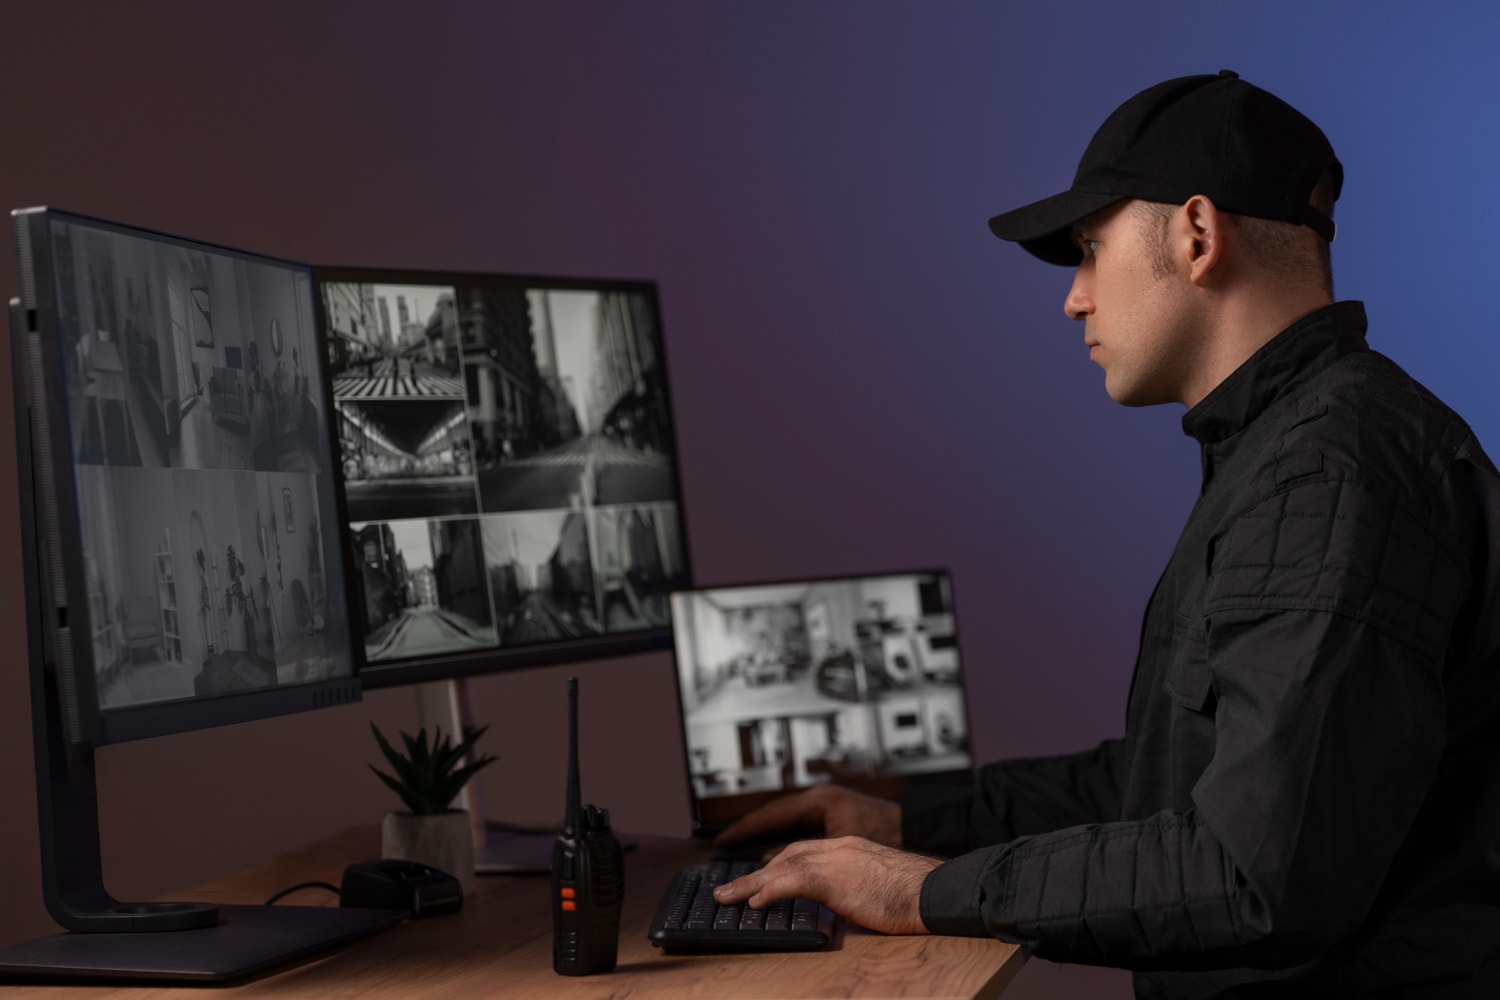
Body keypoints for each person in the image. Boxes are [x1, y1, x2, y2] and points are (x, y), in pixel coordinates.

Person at [712, 70, 1500, 997]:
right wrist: (903, 821)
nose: (1074, 298)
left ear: (1197, 236)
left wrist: (922, 891)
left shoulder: (1328, 474)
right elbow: (1175, 779)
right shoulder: (1293, 446)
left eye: (1090, 248)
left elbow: (1252, 874)